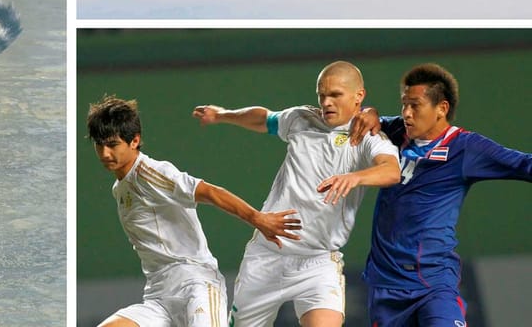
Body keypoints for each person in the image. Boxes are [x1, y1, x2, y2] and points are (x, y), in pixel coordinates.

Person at [192, 61, 400, 327]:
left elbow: (391, 171)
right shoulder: (301, 118)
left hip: (318, 261)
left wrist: (354, 177)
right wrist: (222, 114)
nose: (326, 102)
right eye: (322, 95)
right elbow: (263, 118)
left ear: (358, 96)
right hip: (267, 255)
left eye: (335, 94)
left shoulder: (368, 138)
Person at [87, 95, 302, 327]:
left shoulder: (150, 173)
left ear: (134, 141)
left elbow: (210, 192)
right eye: (100, 144)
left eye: (112, 144)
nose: (105, 153)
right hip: (158, 296)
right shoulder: (120, 188)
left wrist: (258, 218)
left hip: (196, 285)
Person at [348, 63, 532, 326]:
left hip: (432, 283)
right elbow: (367, 120)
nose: (407, 114)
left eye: (415, 105)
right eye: (404, 105)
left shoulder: (466, 147)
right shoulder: (395, 131)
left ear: (442, 108)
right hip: (385, 286)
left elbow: (525, 164)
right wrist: (369, 111)